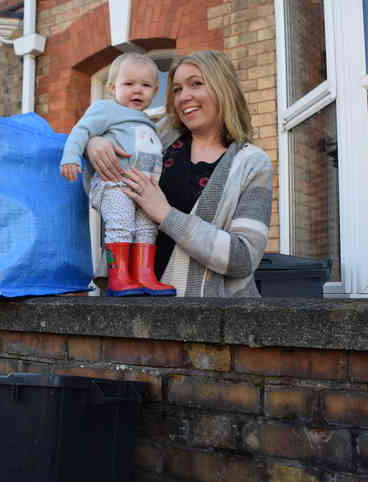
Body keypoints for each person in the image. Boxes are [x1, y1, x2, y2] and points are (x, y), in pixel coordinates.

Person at [86, 50, 272, 297]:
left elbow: (243, 257)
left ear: (223, 88)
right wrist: (93, 143)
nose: (184, 97)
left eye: (196, 84)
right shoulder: (154, 137)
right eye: (176, 89)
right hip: (128, 303)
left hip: (206, 319)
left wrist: (165, 214)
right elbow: (100, 187)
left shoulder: (252, 164)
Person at [60, 52, 176, 297]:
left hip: (144, 189)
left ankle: (145, 275)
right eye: (129, 84)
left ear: (155, 90)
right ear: (113, 88)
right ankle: (118, 276)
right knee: (121, 226)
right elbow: (82, 130)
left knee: (147, 228)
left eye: (145, 85)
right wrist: (71, 156)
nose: (137, 90)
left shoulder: (148, 121)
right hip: (115, 184)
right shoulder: (107, 109)